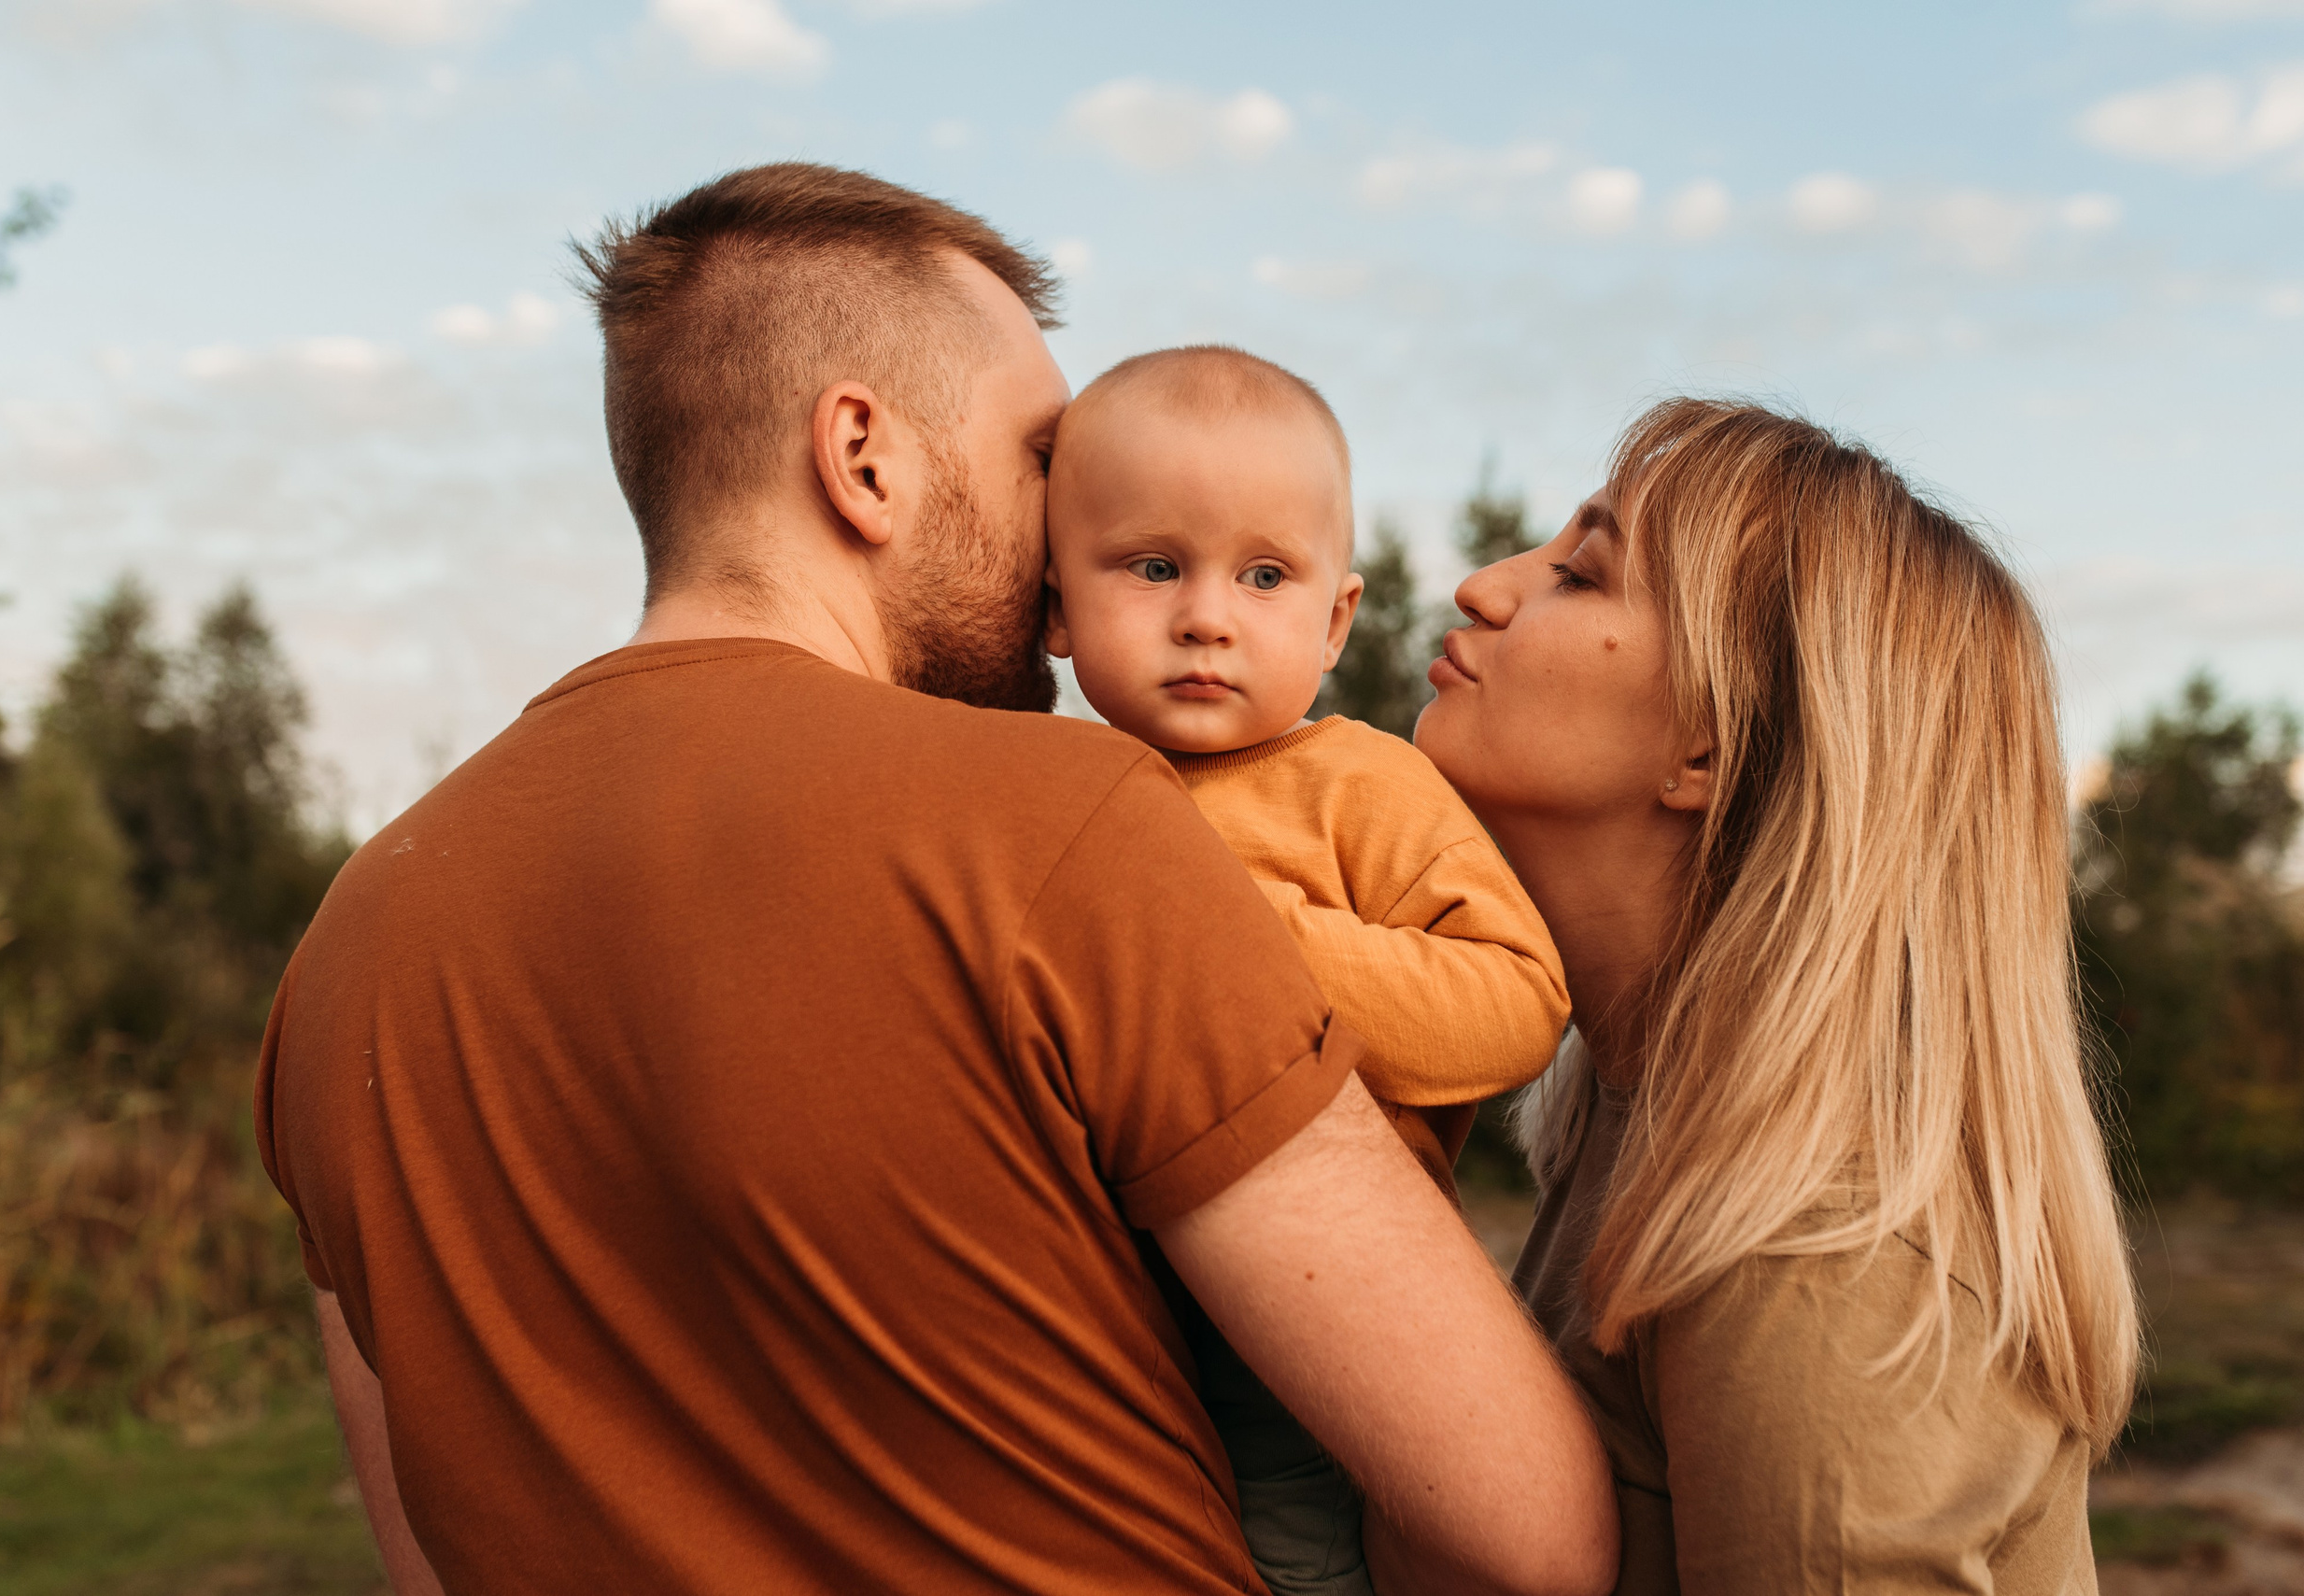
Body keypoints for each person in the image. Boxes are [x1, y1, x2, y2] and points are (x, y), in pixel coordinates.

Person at [254, 163, 1617, 1596]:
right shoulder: (1075, 827)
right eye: (1041, 456)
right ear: (863, 455)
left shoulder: (351, 944)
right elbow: (1526, 1525)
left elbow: (427, 1551)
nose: (1062, 531)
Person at [1399, 397, 2140, 1594]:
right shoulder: (1645, 1125)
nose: (1483, 586)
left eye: (1580, 576)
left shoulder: (1808, 1258)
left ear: (1707, 742)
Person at [1044, 345, 1573, 1596]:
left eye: (1265, 575)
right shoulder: (1044, 790)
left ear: (1337, 618)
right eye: (1154, 566)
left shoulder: (1361, 784)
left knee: (1291, 1565)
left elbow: (1516, 1001)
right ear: (1058, 607)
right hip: (1091, 1324)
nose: (1208, 615)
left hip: (1309, 1324)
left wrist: (1249, 939)